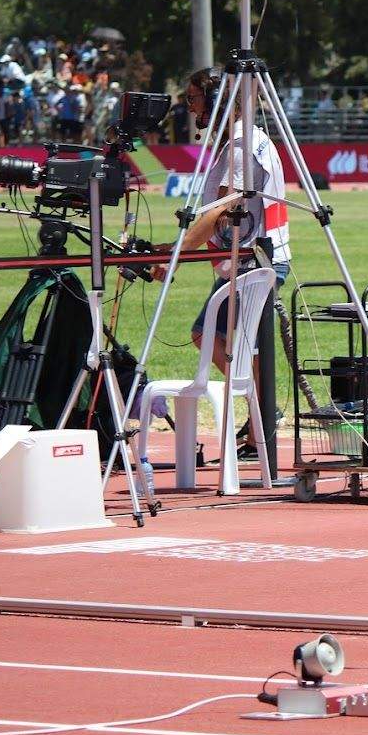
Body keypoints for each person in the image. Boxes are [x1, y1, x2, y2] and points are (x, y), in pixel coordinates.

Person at [162, 68, 293, 457]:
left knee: (211, 336)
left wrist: (175, 254)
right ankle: (260, 419)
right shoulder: (244, 139)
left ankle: (262, 417)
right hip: (251, 260)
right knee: (233, 343)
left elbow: (222, 210)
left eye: (193, 99)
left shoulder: (240, 145)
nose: (190, 108)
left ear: (216, 100)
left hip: (254, 261)